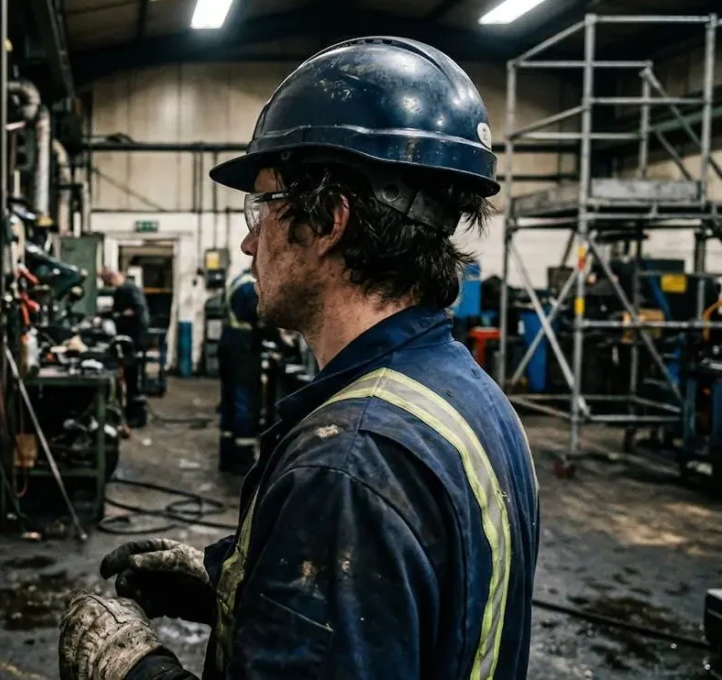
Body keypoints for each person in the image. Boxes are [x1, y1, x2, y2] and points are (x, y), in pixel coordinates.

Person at [59, 36, 540, 680]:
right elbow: (406, 623)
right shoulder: (469, 399)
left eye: (264, 207)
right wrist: (223, 582)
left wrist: (133, 669)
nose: (248, 241)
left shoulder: (347, 463)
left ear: (329, 221)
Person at [218, 269, 263, 474]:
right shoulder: (249, 287)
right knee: (243, 400)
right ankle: (244, 458)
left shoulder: (235, 281)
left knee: (229, 400)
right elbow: (261, 317)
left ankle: (227, 455)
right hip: (243, 350)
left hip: (228, 346)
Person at [102, 267, 151, 427]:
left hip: (135, 339)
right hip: (127, 338)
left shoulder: (130, 289)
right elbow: (117, 309)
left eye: (108, 282)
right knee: (129, 375)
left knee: (133, 377)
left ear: (113, 277)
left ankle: (136, 415)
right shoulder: (120, 291)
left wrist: (121, 315)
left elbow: (137, 309)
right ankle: (129, 412)